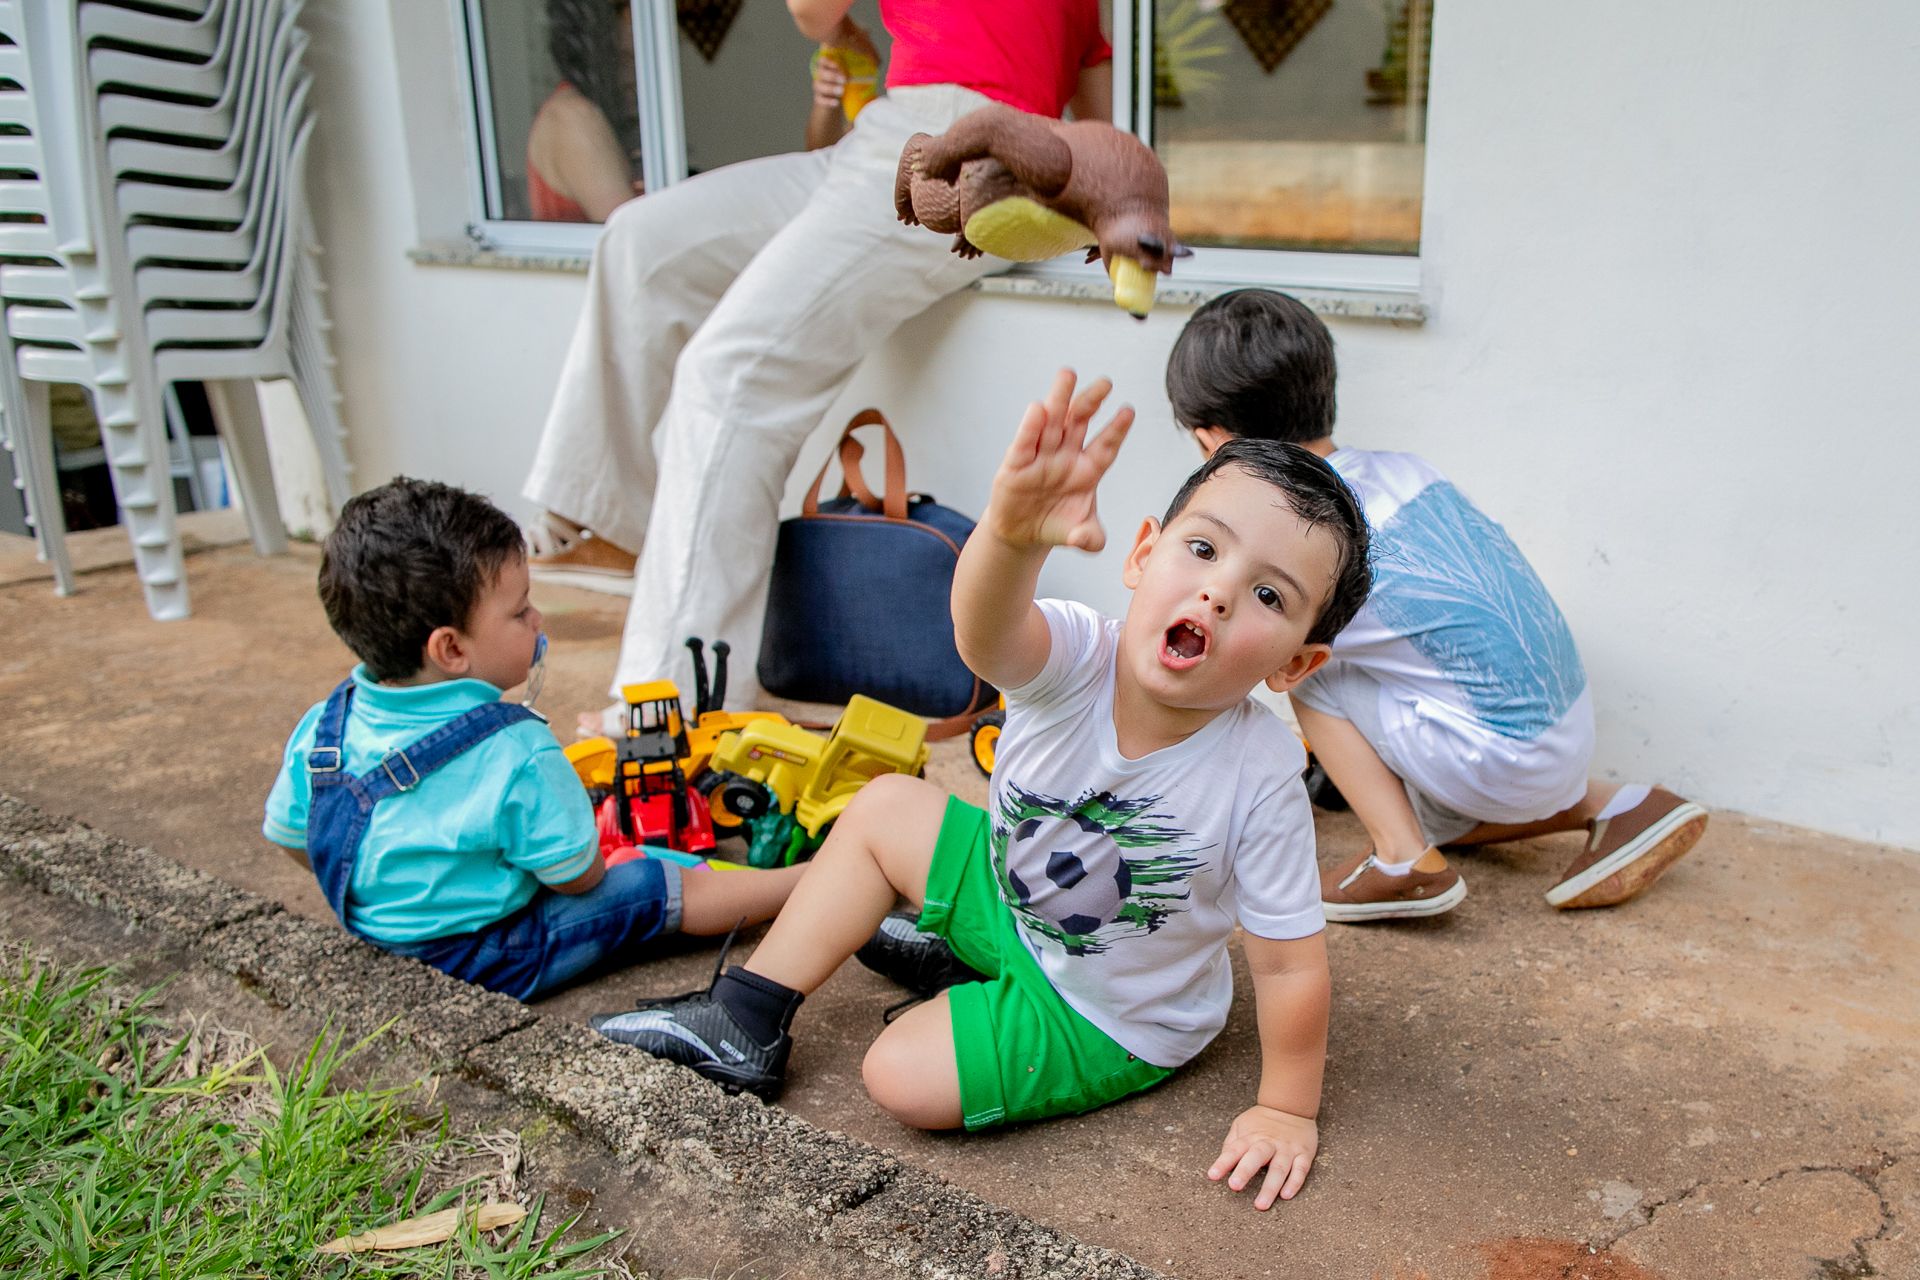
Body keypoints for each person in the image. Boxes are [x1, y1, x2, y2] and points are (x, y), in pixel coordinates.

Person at [592, 372, 1373, 1211]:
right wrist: (1010, 534)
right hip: (1014, 899)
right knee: (888, 804)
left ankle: (964, 969)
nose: (1217, 591)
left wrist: (1285, 1107)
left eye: (1267, 596)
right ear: (1144, 554)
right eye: (1205, 549)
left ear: (1294, 664)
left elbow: (1290, 965)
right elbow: (985, 631)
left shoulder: (1259, 778)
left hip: (1104, 1011)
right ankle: (743, 1017)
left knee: (896, 1076)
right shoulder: (1076, 653)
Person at [519, 0, 1115, 732]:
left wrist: (835, 32)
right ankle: (607, 523)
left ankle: (673, 701)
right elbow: (1099, 118)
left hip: (957, 152)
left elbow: (812, 9)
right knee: (641, 242)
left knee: (731, 374)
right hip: (895, 135)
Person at [1164, 289, 1710, 919]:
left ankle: (1402, 859)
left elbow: (1236, 656)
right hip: (1558, 731)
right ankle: (1612, 803)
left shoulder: (1311, 543)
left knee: (1307, 667)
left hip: (1499, 757)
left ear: (1215, 445)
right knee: (1410, 782)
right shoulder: (1406, 472)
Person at [262, 478, 807, 1000]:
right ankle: (802, 884)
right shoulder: (517, 746)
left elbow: (293, 836)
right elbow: (578, 876)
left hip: (377, 939)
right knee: (650, 883)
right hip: (494, 957)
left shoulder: (323, 727)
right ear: (451, 650)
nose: (537, 617)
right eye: (520, 610)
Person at [526, 0, 644, 223]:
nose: (636, 79)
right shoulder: (573, 116)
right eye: (627, 60)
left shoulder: (605, 113)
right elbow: (628, 236)